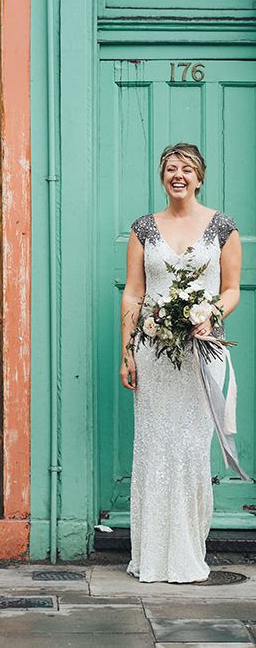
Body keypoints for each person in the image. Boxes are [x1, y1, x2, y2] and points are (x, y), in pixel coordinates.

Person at [120, 143, 242, 583]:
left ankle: (188, 551)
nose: (178, 175)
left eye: (186, 169)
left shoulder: (222, 227)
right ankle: (152, 555)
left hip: (200, 353)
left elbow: (232, 289)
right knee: (155, 449)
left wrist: (209, 311)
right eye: (171, 168)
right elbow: (134, 293)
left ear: (199, 177)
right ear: (162, 177)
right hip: (154, 353)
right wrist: (127, 351)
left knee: (190, 450)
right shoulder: (143, 228)